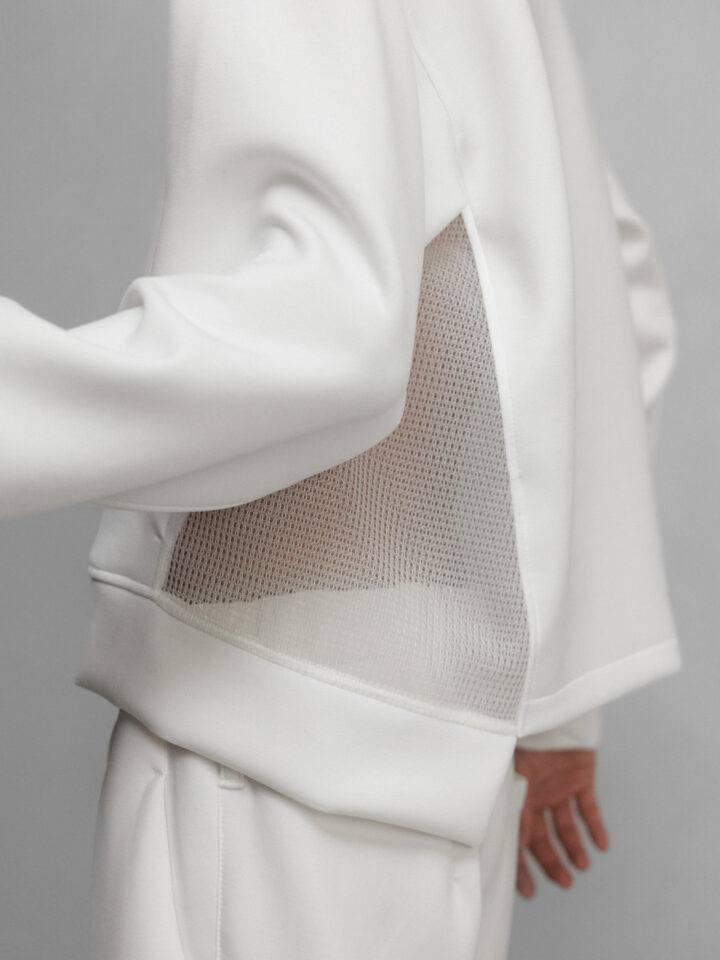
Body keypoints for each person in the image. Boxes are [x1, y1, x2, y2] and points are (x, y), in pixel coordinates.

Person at [0, 0, 681, 957]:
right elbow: (609, 283)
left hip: (264, 745)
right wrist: (556, 704)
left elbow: (336, 336)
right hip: (449, 752)